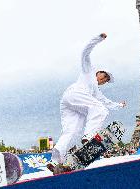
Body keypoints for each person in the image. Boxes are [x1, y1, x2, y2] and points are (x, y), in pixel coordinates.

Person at [51, 33, 126, 166]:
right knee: (100, 110)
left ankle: (56, 161)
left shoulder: (96, 91)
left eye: (105, 81)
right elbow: (85, 52)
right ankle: (89, 136)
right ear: (99, 72)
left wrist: (119, 105)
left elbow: (106, 102)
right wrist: (99, 38)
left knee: (72, 131)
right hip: (75, 94)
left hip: (69, 102)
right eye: (103, 77)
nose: (102, 80)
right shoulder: (88, 70)